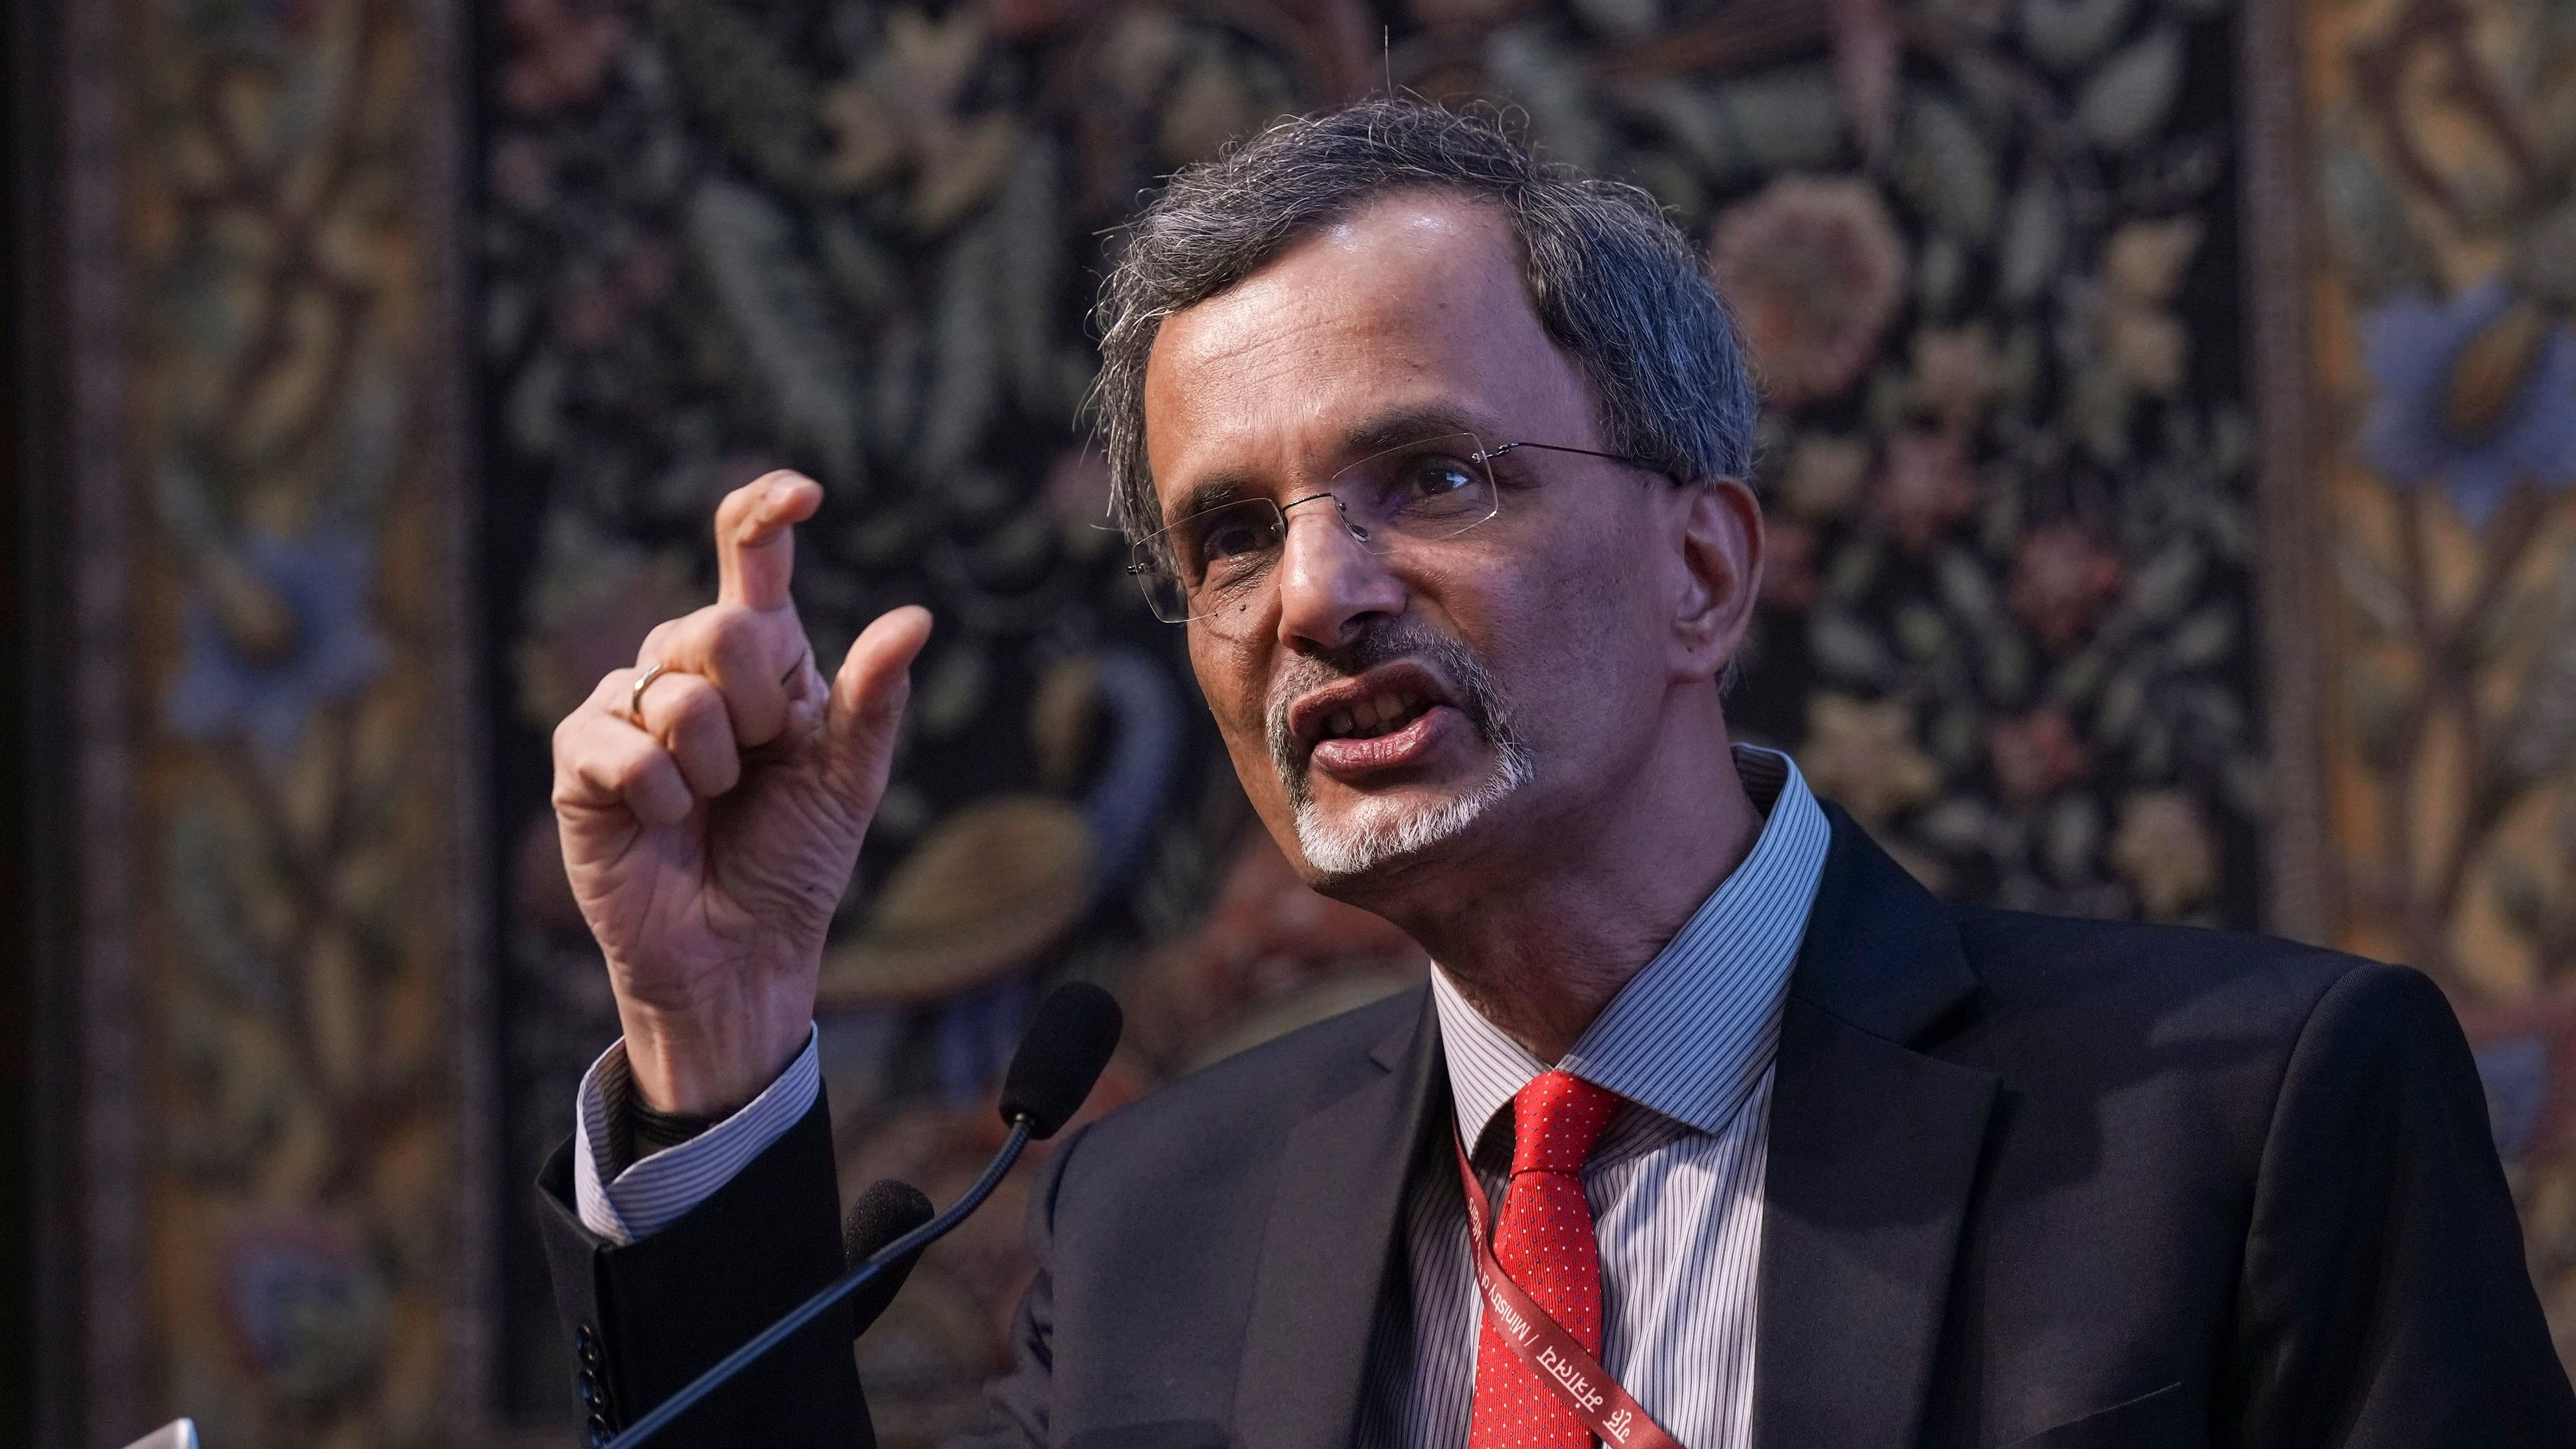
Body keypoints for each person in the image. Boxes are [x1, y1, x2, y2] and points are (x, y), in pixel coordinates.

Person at [537, 101, 2573, 1449]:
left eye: (1431, 475)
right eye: (1229, 536)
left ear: (1704, 566)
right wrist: (712, 1028)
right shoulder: (1167, 1222)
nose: (1315, 595)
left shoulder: (2248, 1122)